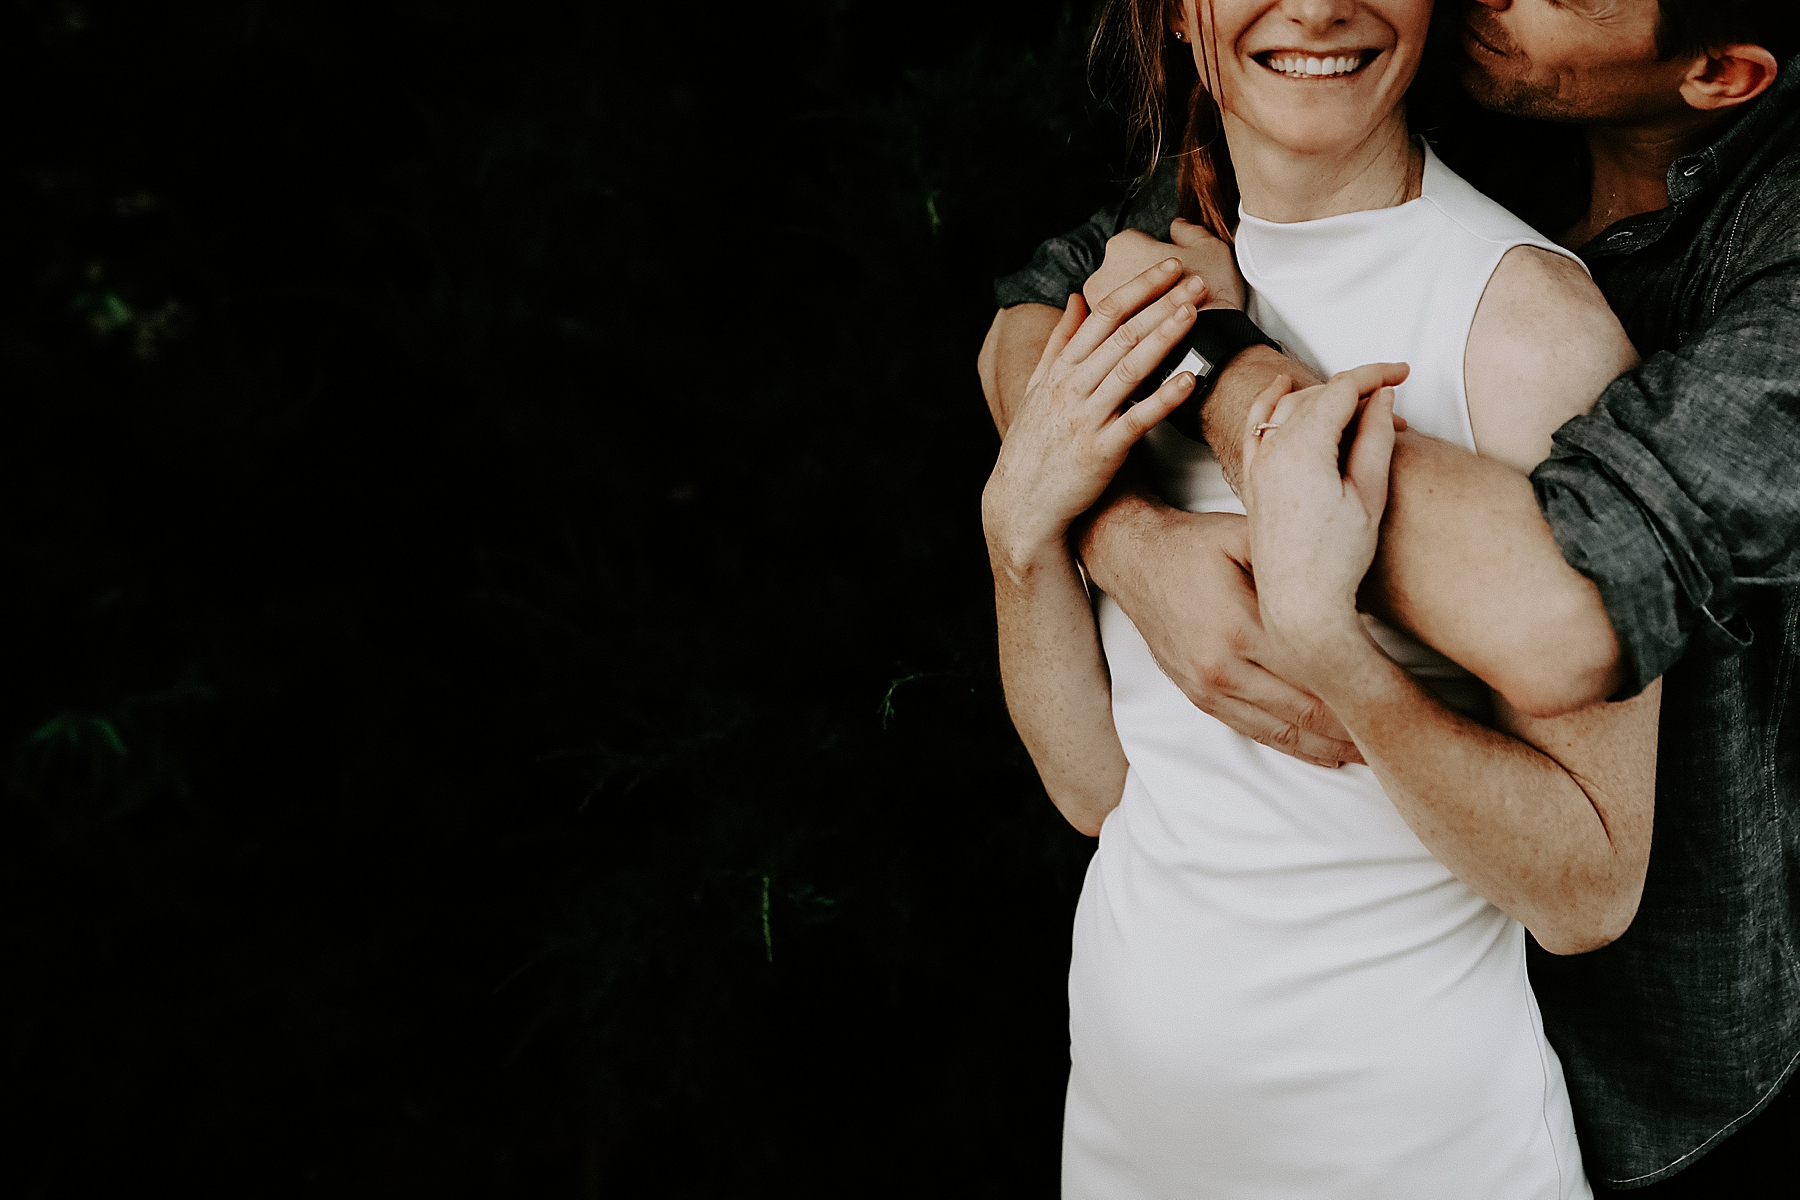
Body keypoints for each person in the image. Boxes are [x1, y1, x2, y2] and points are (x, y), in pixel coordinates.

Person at [981, 0, 1800, 1192]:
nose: (1315, 4)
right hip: (1125, 1135)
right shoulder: (1169, 248)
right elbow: (1099, 793)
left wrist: (1328, 641)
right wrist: (1068, 531)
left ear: (1720, 74)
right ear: (1175, 21)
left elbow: (1584, 859)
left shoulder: (1530, 328)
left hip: (1418, 1141)